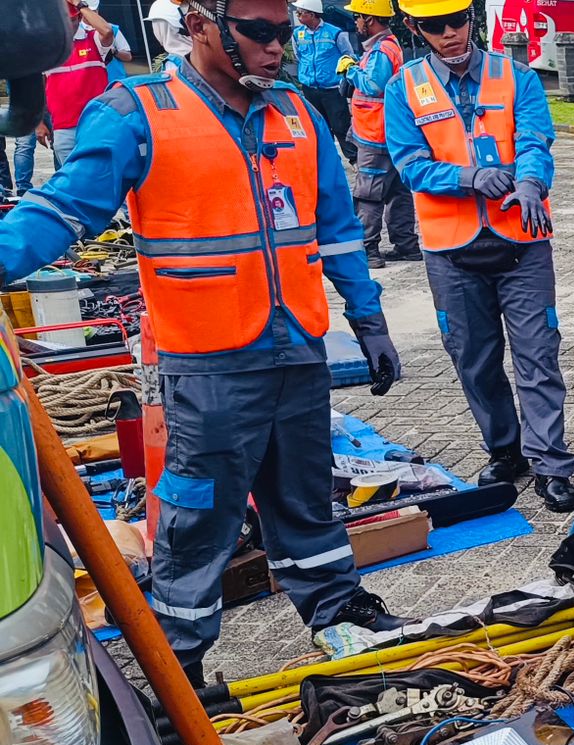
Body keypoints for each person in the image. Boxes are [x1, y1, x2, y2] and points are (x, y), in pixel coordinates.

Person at [0, 0, 410, 684]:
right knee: (199, 515)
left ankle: (338, 611)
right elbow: (62, 209)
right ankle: (178, 665)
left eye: (283, 32)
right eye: (258, 32)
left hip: (297, 347)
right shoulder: (137, 114)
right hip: (209, 363)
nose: (277, 48)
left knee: (306, 496)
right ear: (198, 25)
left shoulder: (297, 114)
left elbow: (338, 230)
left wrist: (369, 321)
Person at [386, 0, 574, 511]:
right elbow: (410, 165)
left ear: (471, 18)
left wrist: (531, 183)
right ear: (414, 27)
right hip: (451, 250)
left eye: (457, 21)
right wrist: (468, 177)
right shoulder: (403, 88)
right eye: (435, 26)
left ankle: (550, 464)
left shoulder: (515, 76)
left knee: (538, 355)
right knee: (473, 359)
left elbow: (535, 140)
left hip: (521, 241)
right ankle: (505, 450)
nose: (449, 33)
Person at [343, 0, 419, 267]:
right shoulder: (387, 46)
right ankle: (406, 245)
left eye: (358, 16)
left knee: (369, 193)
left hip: (375, 134)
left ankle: (368, 250)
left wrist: (351, 70)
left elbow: (374, 85)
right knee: (398, 191)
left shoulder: (381, 51)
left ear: (370, 18)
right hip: (390, 132)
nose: (355, 22)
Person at [40, 0, 117, 167]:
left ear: (80, 18)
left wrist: (80, 4)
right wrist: (38, 123)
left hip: (97, 124)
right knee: (71, 178)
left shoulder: (93, 39)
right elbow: (37, 88)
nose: (67, 25)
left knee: (101, 173)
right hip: (63, 128)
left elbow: (107, 31)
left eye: (72, 20)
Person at [293, 0, 357, 162]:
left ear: (312, 14)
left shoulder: (335, 33)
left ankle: (353, 159)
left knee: (341, 126)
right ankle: (328, 162)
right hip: (310, 89)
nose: (298, 16)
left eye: (300, 13)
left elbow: (348, 55)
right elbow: (298, 56)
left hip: (333, 89)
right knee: (319, 128)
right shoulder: (297, 34)